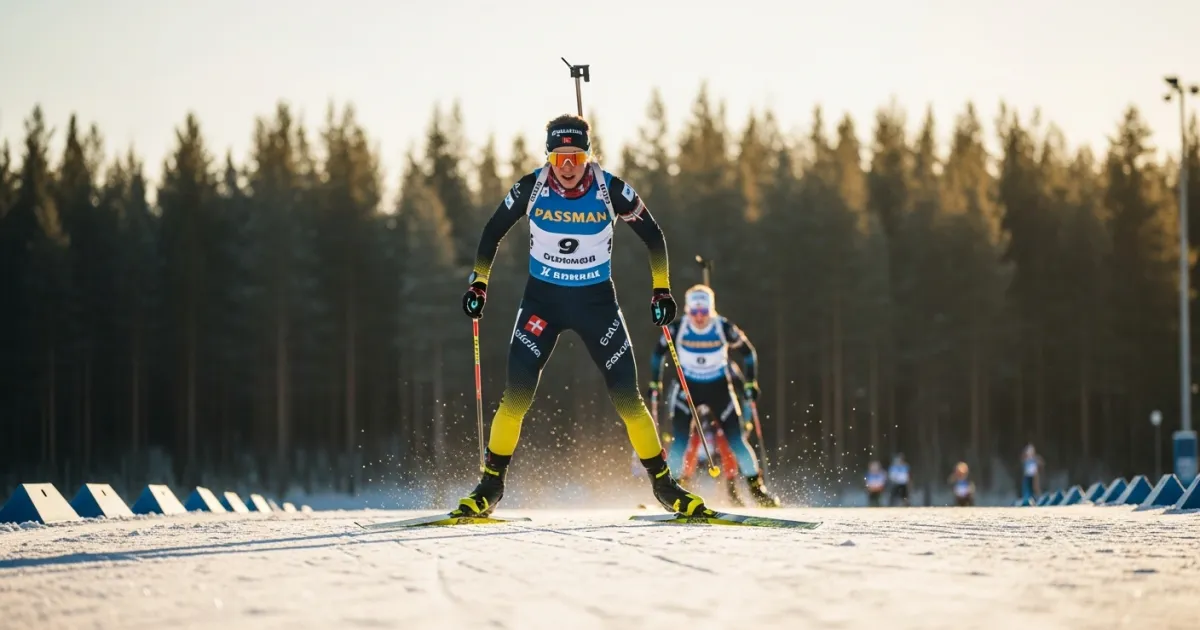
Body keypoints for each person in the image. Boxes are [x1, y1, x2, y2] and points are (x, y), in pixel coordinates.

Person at [453, 114, 710, 518]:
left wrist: (661, 289)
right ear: (548, 158)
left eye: (575, 156)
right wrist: (478, 282)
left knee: (628, 398)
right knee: (515, 397)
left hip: (596, 306)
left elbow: (654, 236)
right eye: (558, 158)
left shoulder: (611, 190)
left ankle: (664, 485)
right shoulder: (531, 186)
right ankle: (490, 485)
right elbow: (492, 231)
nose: (567, 166)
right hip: (543, 304)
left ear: (588, 156)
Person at [646, 284, 780, 507]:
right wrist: (654, 382)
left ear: (711, 310)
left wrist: (750, 383)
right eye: (695, 312)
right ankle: (672, 492)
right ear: (688, 310)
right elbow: (657, 354)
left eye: (704, 312)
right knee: (679, 443)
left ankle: (757, 491)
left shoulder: (722, 327)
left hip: (718, 387)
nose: (699, 317)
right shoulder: (678, 327)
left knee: (737, 441)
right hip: (687, 388)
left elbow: (748, 354)